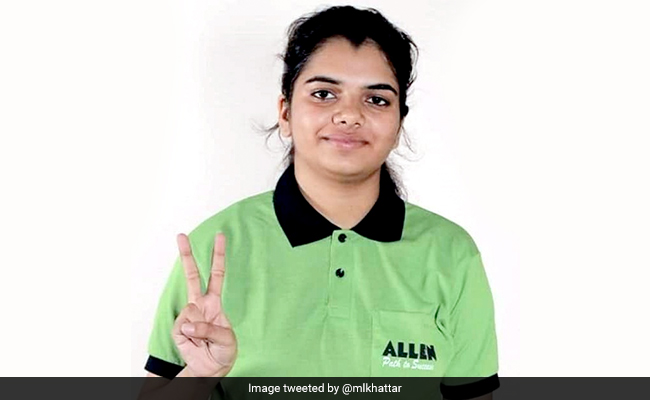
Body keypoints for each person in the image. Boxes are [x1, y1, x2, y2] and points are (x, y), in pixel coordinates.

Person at [139, 5, 499, 400]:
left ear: (399, 125)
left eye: (377, 99)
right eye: (324, 94)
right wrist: (198, 376)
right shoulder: (214, 247)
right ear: (285, 112)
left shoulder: (451, 254)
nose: (349, 115)